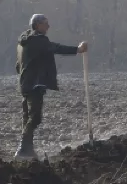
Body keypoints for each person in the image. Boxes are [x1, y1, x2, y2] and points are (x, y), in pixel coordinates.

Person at [14, 14, 87, 160]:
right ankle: (22, 149)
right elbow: (55, 48)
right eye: (45, 23)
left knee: (28, 117)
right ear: (37, 25)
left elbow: (18, 65)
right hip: (34, 84)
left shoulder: (24, 42)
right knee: (35, 117)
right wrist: (77, 50)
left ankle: (28, 150)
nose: (48, 26)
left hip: (26, 83)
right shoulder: (38, 40)